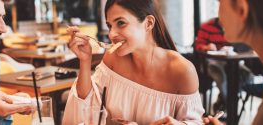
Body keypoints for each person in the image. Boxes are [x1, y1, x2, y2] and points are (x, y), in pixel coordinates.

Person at [63, 0, 204, 124]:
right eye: (110, 25)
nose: (111, 34)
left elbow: (196, 122)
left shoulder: (182, 71)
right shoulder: (112, 59)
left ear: (148, 23)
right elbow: (86, 106)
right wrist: (85, 61)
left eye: (121, 23)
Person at [194, 17, 253, 112]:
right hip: (211, 62)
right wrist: (207, 47)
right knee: (220, 75)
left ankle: (224, 100)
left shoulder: (235, 27)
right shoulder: (207, 26)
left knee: (247, 75)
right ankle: (230, 106)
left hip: (231, 61)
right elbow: (197, 46)